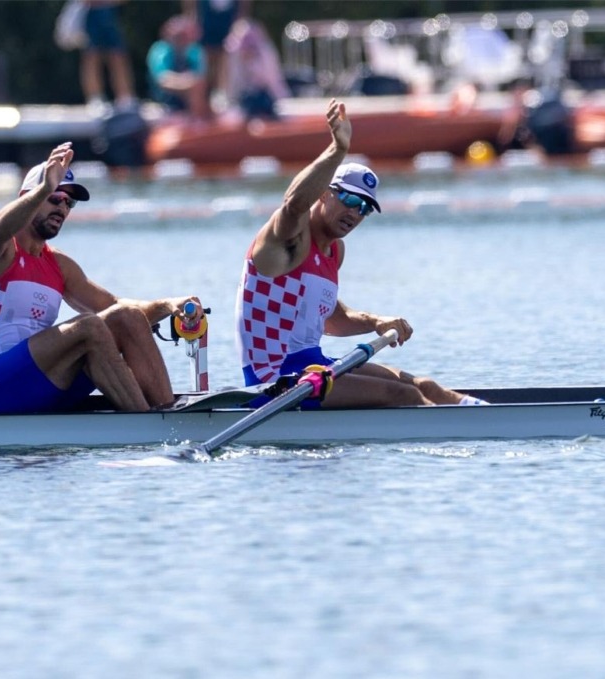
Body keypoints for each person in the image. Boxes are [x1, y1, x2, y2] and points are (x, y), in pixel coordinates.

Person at [234, 99, 486, 407]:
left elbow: (333, 319)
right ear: (325, 193)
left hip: (314, 367)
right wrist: (337, 150)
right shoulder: (289, 240)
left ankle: (487, 420)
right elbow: (293, 204)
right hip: (275, 381)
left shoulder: (334, 250)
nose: (356, 213)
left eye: (366, 209)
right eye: (351, 201)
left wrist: (377, 321)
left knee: (424, 386)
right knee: (402, 396)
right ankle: (460, 443)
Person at [0, 141, 201, 414]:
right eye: (54, 198)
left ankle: (166, 411)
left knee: (127, 316)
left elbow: (114, 307)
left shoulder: (59, 264)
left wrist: (170, 305)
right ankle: (147, 426)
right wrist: (43, 187)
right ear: (26, 198)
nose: (62, 209)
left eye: (69, 202)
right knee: (88, 327)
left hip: (33, 383)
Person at [182, 0, 249, 109]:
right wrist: (191, 17)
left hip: (228, 17)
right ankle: (206, 96)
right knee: (207, 59)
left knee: (227, 56)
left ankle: (223, 95)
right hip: (207, 16)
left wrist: (241, 18)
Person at [146, 14, 212, 121]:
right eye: (178, 36)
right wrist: (186, 82)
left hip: (190, 101)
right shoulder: (160, 50)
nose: (182, 39)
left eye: (185, 35)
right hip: (164, 102)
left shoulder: (195, 51)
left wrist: (190, 83)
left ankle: (199, 121)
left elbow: (200, 79)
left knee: (197, 88)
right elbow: (163, 80)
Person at [223, 17, 289, 121]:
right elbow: (233, 87)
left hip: (267, 97)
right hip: (243, 101)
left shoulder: (267, 53)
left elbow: (272, 82)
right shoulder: (233, 57)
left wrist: (254, 64)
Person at [79, 0, 137, 115]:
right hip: (90, 14)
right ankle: (94, 98)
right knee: (92, 56)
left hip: (109, 14)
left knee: (118, 56)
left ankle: (125, 97)